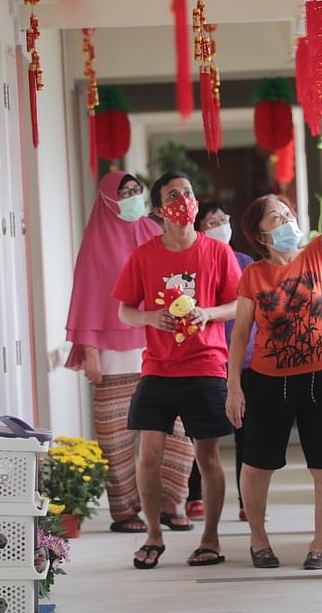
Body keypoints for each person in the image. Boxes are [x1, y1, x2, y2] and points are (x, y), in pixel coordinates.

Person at [226, 129, 322, 570]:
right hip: (268, 381)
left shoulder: (318, 256)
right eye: (276, 216)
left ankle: (320, 545)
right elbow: (240, 334)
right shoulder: (253, 277)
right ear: (260, 234)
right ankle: (258, 538)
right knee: (257, 464)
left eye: (288, 212)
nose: (287, 219)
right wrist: (234, 386)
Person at [113, 172, 243, 568]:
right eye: (174, 195)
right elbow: (124, 310)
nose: (184, 199)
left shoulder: (217, 253)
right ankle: (154, 535)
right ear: (158, 210)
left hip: (206, 364)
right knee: (148, 454)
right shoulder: (144, 256)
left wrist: (208, 313)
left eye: (188, 192)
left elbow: (238, 304)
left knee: (207, 456)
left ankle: (210, 538)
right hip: (158, 368)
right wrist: (151, 317)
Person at [64, 171, 198, 534]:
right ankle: (125, 512)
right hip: (111, 357)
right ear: (108, 199)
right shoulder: (95, 244)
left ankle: (173, 503)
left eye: (136, 191)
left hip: (161, 350)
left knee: (178, 430)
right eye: (124, 192)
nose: (132, 197)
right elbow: (87, 298)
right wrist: (89, 351)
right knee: (115, 439)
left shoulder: (157, 234)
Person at [185, 202, 256, 522]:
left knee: (247, 432)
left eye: (223, 220)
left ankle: (247, 499)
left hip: (247, 360)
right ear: (201, 228)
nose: (219, 225)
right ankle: (194, 494)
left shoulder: (246, 263)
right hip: (207, 359)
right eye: (211, 221)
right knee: (200, 432)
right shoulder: (195, 263)